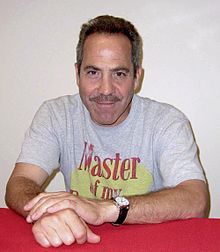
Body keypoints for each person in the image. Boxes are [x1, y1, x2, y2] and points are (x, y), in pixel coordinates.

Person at [5, 15, 208, 248]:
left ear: (136, 78)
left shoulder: (167, 122)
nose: (105, 89)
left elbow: (196, 199)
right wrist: (46, 211)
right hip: (80, 241)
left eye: (119, 73)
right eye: (93, 72)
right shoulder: (56, 114)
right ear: (77, 73)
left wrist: (105, 208)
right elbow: (20, 181)